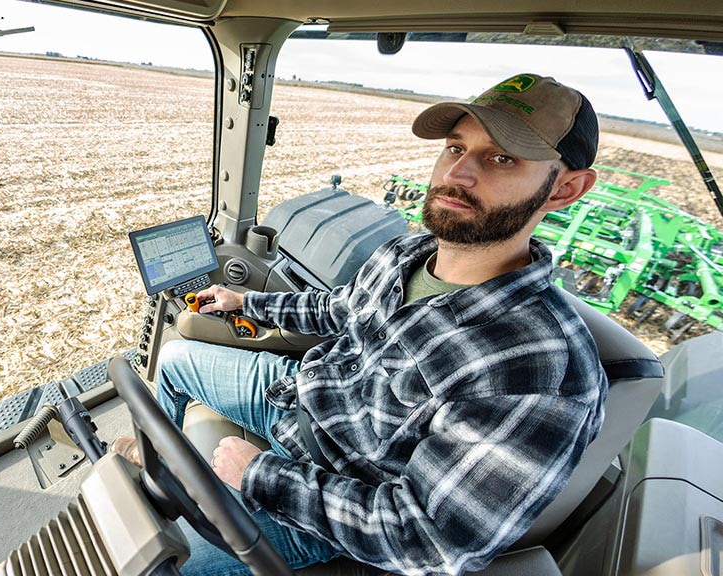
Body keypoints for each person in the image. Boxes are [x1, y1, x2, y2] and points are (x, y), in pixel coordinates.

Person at [115, 73, 608, 575]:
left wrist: (262, 474)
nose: (458, 174)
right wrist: (245, 302)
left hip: (335, 487)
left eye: (502, 158)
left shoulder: (541, 370)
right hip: (298, 398)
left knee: (160, 564)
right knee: (174, 358)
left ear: (566, 189)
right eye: (456, 147)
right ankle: (161, 458)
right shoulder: (406, 253)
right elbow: (338, 309)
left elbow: (428, 540)